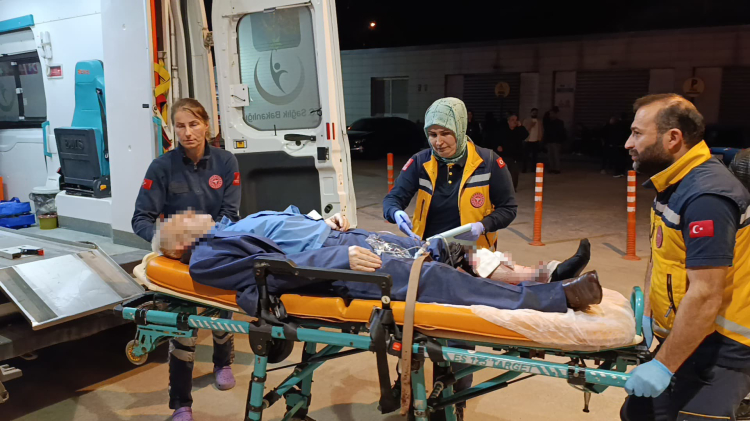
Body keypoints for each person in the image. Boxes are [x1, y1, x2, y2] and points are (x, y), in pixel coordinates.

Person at [153, 208, 601, 316]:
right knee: (433, 276)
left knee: (444, 249)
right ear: (180, 244)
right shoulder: (206, 257)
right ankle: (552, 298)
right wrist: (339, 257)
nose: (188, 212)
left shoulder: (229, 227)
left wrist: (322, 221)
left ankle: (541, 275)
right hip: (334, 267)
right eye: (181, 218)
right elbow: (268, 270)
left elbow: (286, 227)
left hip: (342, 243)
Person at [621, 93, 750, 420]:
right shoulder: (674, 183)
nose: (628, 143)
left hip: (721, 351)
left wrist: (663, 366)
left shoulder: (707, 196)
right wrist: (650, 317)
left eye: (637, 133)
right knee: (636, 415)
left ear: (673, 138)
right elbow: (663, 257)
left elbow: (706, 293)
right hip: (688, 337)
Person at [131, 98, 241, 421]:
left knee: (222, 314)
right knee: (183, 330)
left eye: (194, 124)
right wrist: (164, 241)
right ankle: (181, 402)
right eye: (180, 126)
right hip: (176, 257)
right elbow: (140, 219)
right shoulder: (161, 167)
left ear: (207, 125)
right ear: (173, 129)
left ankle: (223, 363)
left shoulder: (226, 162)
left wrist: (206, 239)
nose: (188, 132)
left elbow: (230, 215)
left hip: (215, 249)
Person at [382, 97, 517, 250]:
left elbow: (508, 208)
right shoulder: (420, 162)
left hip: (475, 252)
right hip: (429, 249)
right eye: (433, 135)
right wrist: (395, 212)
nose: (438, 142)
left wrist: (483, 225)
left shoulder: (489, 162)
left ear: (460, 129)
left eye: (445, 133)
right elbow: (393, 198)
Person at [498, 112, 528, 191]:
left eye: (516, 120)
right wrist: (498, 146)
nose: (514, 122)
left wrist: (521, 126)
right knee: (503, 173)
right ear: (508, 121)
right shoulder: (503, 130)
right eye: (512, 120)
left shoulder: (518, 130)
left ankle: (512, 188)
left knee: (514, 173)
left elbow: (525, 135)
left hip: (515, 156)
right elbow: (496, 139)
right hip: (504, 155)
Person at [543, 106, 566, 174]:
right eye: (550, 113)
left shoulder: (559, 122)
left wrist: (561, 141)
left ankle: (557, 168)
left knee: (556, 155)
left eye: (552, 113)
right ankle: (551, 168)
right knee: (550, 155)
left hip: (556, 141)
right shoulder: (548, 122)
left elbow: (561, 132)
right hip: (549, 140)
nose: (551, 115)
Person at [522, 108, 543, 172]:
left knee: (535, 156)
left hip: (536, 141)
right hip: (528, 141)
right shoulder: (526, 120)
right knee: (525, 156)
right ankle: (524, 168)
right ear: (531, 113)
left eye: (536, 113)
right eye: (533, 113)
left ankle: (533, 168)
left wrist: (540, 138)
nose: (534, 114)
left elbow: (541, 130)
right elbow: (524, 130)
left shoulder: (539, 121)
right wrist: (531, 125)